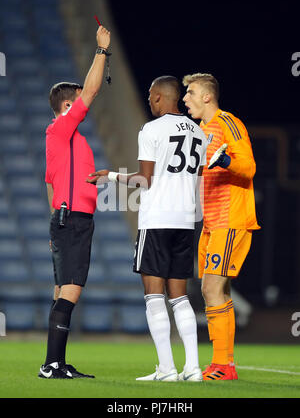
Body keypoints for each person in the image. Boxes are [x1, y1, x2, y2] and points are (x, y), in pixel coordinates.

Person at [87, 76, 208, 382]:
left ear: (158, 97)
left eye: (151, 96)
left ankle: (167, 369)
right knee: (180, 296)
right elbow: (199, 181)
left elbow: (145, 179)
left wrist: (111, 176)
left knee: (154, 295)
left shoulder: (151, 129)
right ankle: (193, 368)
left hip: (157, 220)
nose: (150, 101)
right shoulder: (198, 131)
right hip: (185, 220)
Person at [39, 25, 111, 379]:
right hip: (73, 219)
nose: (85, 104)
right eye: (79, 101)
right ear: (67, 106)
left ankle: (55, 363)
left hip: (67, 218)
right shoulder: (62, 128)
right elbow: (94, 88)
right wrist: (101, 51)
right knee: (71, 290)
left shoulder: (64, 138)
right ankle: (53, 365)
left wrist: (58, 217)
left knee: (62, 289)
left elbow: (50, 181)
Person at [182, 73, 260, 381]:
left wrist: (224, 159)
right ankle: (222, 365)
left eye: (190, 93)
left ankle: (223, 365)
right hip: (211, 223)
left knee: (210, 288)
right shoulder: (202, 130)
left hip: (230, 219)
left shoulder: (229, 123)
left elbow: (249, 167)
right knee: (218, 290)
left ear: (206, 97)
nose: (185, 98)